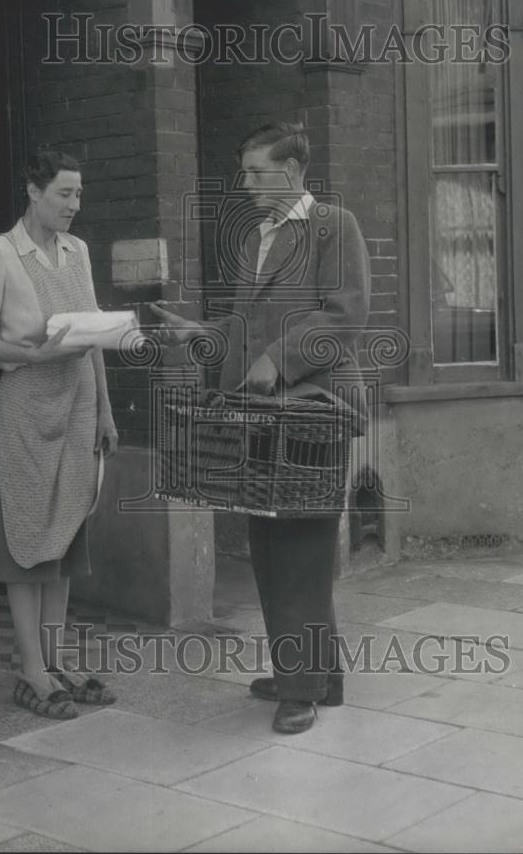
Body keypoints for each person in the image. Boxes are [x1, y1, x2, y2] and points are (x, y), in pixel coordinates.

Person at [152, 122, 371, 734]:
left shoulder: (333, 224)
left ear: (293, 171)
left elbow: (346, 313)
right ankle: (316, 674)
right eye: (244, 172)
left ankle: (299, 690)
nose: (245, 184)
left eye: (256, 172)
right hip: (266, 412)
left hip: (315, 407)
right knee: (271, 542)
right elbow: (251, 329)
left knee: (300, 545)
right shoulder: (258, 239)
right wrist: (202, 335)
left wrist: (280, 359)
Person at [0, 150, 119, 721]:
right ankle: (31, 670)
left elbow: (92, 333)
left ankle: (57, 661)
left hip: (79, 406)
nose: (74, 205)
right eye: (64, 195)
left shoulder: (79, 253)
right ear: (33, 191)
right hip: (26, 408)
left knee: (65, 532)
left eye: (78, 195)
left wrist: (105, 411)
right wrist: (25, 354)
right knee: (26, 538)